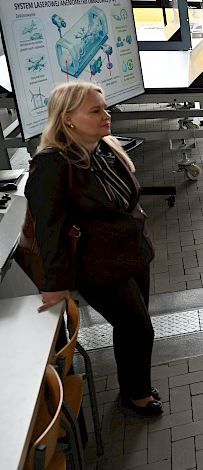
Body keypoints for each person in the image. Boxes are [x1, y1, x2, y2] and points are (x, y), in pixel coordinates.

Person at [27, 82, 160, 417]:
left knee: (131, 327)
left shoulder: (106, 148)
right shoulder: (52, 165)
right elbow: (48, 229)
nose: (106, 115)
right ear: (68, 118)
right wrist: (56, 284)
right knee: (139, 329)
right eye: (96, 110)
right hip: (98, 266)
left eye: (105, 108)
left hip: (133, 253)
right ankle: (137, 396)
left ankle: (133, 386)